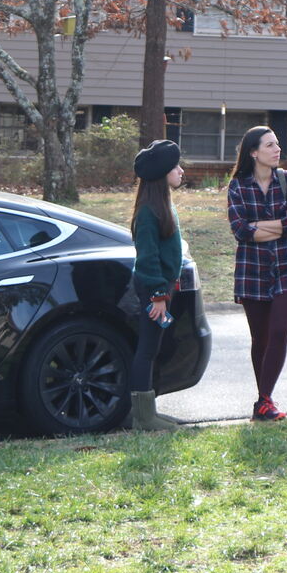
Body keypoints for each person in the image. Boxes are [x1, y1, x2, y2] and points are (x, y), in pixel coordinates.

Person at [226, 125, 287, 421]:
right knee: (260, 338)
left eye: (277, 144)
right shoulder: (238, 185)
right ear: (253, 152)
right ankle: (264, 401)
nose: (277, 150)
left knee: (278, 331)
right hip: (252, 270)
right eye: (269, 145)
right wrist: (279, 223)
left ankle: (264, 400)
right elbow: (240, 230)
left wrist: (260, 227)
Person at [127, 139, 186, 431]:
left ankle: (148, 410)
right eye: (175, 167)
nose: (181, 171)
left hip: (164, 288)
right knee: (147, 349)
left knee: (156, 347)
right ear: (162, 173)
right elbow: (147, 257)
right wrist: (158, 295)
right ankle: (142, 417)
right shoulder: (149, 212)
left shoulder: (162, 206)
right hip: (155, 290)